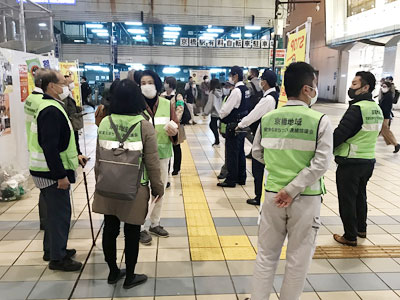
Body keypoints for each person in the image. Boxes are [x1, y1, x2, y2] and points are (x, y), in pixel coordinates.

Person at [248, 62, 333, 300]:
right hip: (306, 198)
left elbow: (257, 153)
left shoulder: (268, 118)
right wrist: (293, 188)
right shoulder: (320, 121)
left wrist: (279, 170)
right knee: (298, 260)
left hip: (273, 194)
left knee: (266, 256)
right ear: (307, 89)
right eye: (314, 85)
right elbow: (321, 163)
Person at [93, 79, 164, 289]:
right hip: (135, 188)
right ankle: (130, 275)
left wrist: (99, 182)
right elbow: (152, 163)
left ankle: (113, 272)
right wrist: (158, 188)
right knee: (132, 233)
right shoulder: (144, 126)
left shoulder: (104, 122)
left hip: (107, 186)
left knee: (110, 229)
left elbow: (98, 158)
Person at [28, 70, 85, 271]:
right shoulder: (51, 110)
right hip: (51, 174)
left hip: (45, 171)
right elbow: (49, 147)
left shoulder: (49, 105)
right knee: (60, 214)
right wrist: (60, 175)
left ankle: (52, 250)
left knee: (53, 214)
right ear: (52, 86)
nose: (67, 86)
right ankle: (58, 258)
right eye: (63, 82)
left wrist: (76, 156)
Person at [333, 71, 384, 246]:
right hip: (368, 161)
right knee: (360, 196)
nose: (350, 87)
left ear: (366, 88)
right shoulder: (375, 108)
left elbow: (341, 133)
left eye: (354, 84)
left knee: (347, 199)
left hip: (351, 161)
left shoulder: (357, 108)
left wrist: (323, 149)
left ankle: (349, 236)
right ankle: (361, 229)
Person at [139, 70, 179, 245]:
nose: (146, 85)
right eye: (142, 83)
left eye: (149, 82)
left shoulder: (166, 103)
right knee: (140, 191)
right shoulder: (135, 104)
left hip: (162, 153)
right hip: (140, 155)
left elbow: (175, 125)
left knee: (159, 190)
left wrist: (174, 131)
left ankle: (155, 223)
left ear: (156, 83)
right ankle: (139, 227)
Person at [237, 69, 279, 206]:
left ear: (265, 82)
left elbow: (254, 115)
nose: (260, 82)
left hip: (264, 137)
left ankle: (259, 196)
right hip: (272, 137)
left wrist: (240, 125)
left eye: (261, 80)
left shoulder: (268, 99)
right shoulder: (276, 96)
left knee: (258, 167)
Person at [24, 68, 48, 230]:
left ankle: (45, 222)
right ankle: (48, 224)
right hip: (44, 154)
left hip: (35, 149)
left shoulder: (30, 99)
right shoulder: (43, 103)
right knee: (49, 196)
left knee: (45, 194)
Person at [218, 66, 250, 188]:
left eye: (231, 76)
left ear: (236, 76)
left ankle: (231, 180)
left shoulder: (236, 91)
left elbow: (225, 110)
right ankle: (241, 177)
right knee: (240, 152)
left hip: (233, 126)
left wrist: (221, 116)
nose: (230, 78)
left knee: (232, 153)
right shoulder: (245, 89)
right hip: (242, 125)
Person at [161, 76, 186, 176]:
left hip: (175, 125)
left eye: (166, 82)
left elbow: (180, 109)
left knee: (176, 146)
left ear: (170, 84)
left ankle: (176, 168)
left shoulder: (177, 96)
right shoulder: (161, 96)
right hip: (163, 125)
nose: (164, 84)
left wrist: (174, 122)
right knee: (165, 146)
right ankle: (166, 168)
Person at [217, 81, 235, 180]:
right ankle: (226, 170)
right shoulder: (226, 98)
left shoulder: (234, 97)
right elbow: (222, 113)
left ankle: (225, 171)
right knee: (227, 152)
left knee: (229, 153)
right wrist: (220, 127)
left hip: (229, 128)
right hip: (225, 128)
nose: (227, 88)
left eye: (229, 86)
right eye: (226, 86)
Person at [379, 81, 400, 153]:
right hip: (383, 115)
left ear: (389, 87)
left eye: (384, 86)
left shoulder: (388, 96)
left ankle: (396, 144)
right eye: (382, 86)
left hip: (385, 115)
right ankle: (394, 143)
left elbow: (386, 107)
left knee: (385, 130)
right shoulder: (385, 95)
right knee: (383, 130)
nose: (383, 88)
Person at [204, 78, 222, 147]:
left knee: (212, 126)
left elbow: (210, 103)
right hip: (219, 111)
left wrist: (206, 112)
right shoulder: (220, 91)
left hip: (214, 112)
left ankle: (217, 142)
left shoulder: (212, 92)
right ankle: (217, 141)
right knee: (213, 125)